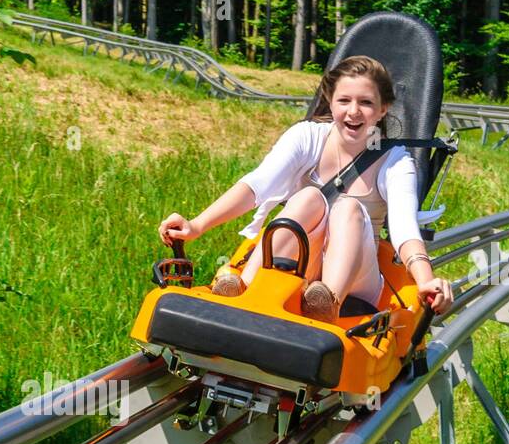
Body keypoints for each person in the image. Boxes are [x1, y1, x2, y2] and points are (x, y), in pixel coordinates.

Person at [157, 55, 454, 323]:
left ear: (382, 109)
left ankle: (327, 307)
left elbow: (404, 227)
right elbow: (257, 185)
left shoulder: (396, 161)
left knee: (348, 207)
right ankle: (243, 292)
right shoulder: (307, 136)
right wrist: (196, 225)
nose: (354, 112)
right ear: (330, 100)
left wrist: (425, 279)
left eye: (365, 103)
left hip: (357, 280)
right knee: (308, 197)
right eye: (344, 101)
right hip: (304, 262)